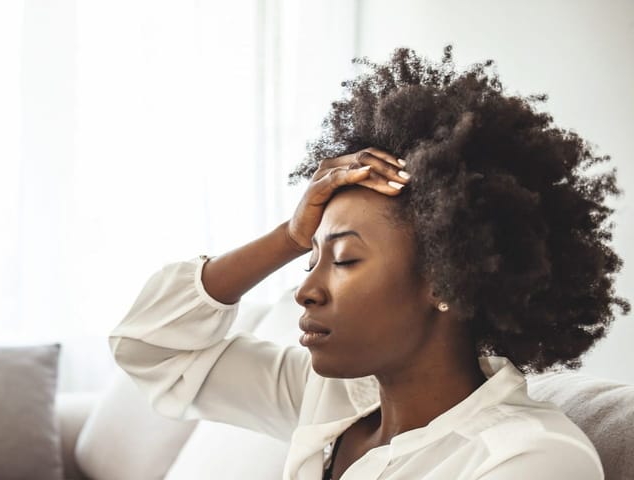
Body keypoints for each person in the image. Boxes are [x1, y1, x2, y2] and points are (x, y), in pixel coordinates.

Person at [109, 45, 629, 480]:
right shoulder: (332, 400)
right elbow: (152, 347)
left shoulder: (528, 459)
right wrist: (287, 237)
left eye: (345, 259)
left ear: (446, 277)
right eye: (309, 258)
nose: (305, 290)